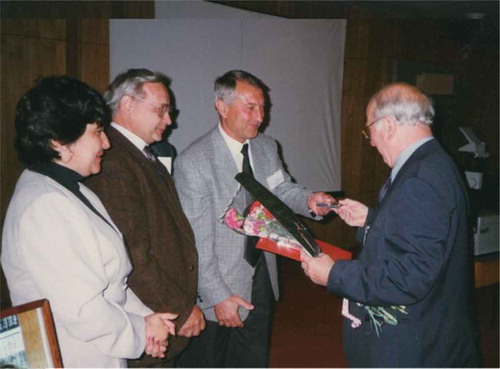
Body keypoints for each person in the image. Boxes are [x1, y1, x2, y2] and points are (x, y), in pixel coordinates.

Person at [1, 76, 177, 368]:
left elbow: (112, 283)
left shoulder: (73, 189)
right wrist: (142, 331)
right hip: (74, 354)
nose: (106, 143)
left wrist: (146, 318)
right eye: (97, 132)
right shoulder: (45, 205)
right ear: (60, 142)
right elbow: (83, 310)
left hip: (96, 347)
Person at [301, 82, 479, 367]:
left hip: (415, 345)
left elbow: (410, 277)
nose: (370, 141)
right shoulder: (434, 162)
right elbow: (424, 234)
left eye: (368, 130)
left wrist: (334, 274)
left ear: (387, 125)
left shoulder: (419, 179)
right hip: (433, 329)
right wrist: (372, 219)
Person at [174, 70, 336, 367]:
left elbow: (282, 189)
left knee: (252, 358)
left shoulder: (265, 147)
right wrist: (217, 297)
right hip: (218, 282)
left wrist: (310, 200)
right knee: (210, 360)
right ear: (222, 107)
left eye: (263, 108)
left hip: (261, 268)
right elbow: (195, 242)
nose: (260, 116)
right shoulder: (194, 162)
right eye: (251, 107)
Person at [85, 68, 204, 368]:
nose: (169, 120)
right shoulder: (113, 162)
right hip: (148, 319)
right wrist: (182, 307)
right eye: (161, 110)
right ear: (127, 105)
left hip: (159, 310)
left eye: (169, 111)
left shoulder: (136, 153)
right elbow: (133, 254)